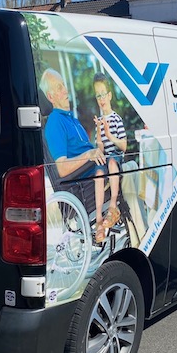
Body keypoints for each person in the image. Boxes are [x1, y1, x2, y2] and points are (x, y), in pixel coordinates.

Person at [38, 68, 108, 242]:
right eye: (59, 87)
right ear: (50, 97)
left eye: (64, 85)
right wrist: (89, 155)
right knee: (130, 176)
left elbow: (91, 152)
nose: (65, 90)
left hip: (97, 173)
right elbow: (62, 168)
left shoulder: (72, 120)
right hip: (85, 186)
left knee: (130, 170)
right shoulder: (55, 123)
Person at [92, 73, 127, 241]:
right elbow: (100, 147)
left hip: (115, 158)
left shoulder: (116, 119)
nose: (101, 99)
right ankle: (99, 219)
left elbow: (124, 146)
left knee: (112, 162)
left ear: (110, 95)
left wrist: (109, 134)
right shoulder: (99, 121)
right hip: (104, 158)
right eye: (98, 95)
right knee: (98, 173)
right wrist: (100, 133)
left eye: (103, 94)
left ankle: (113, 206)